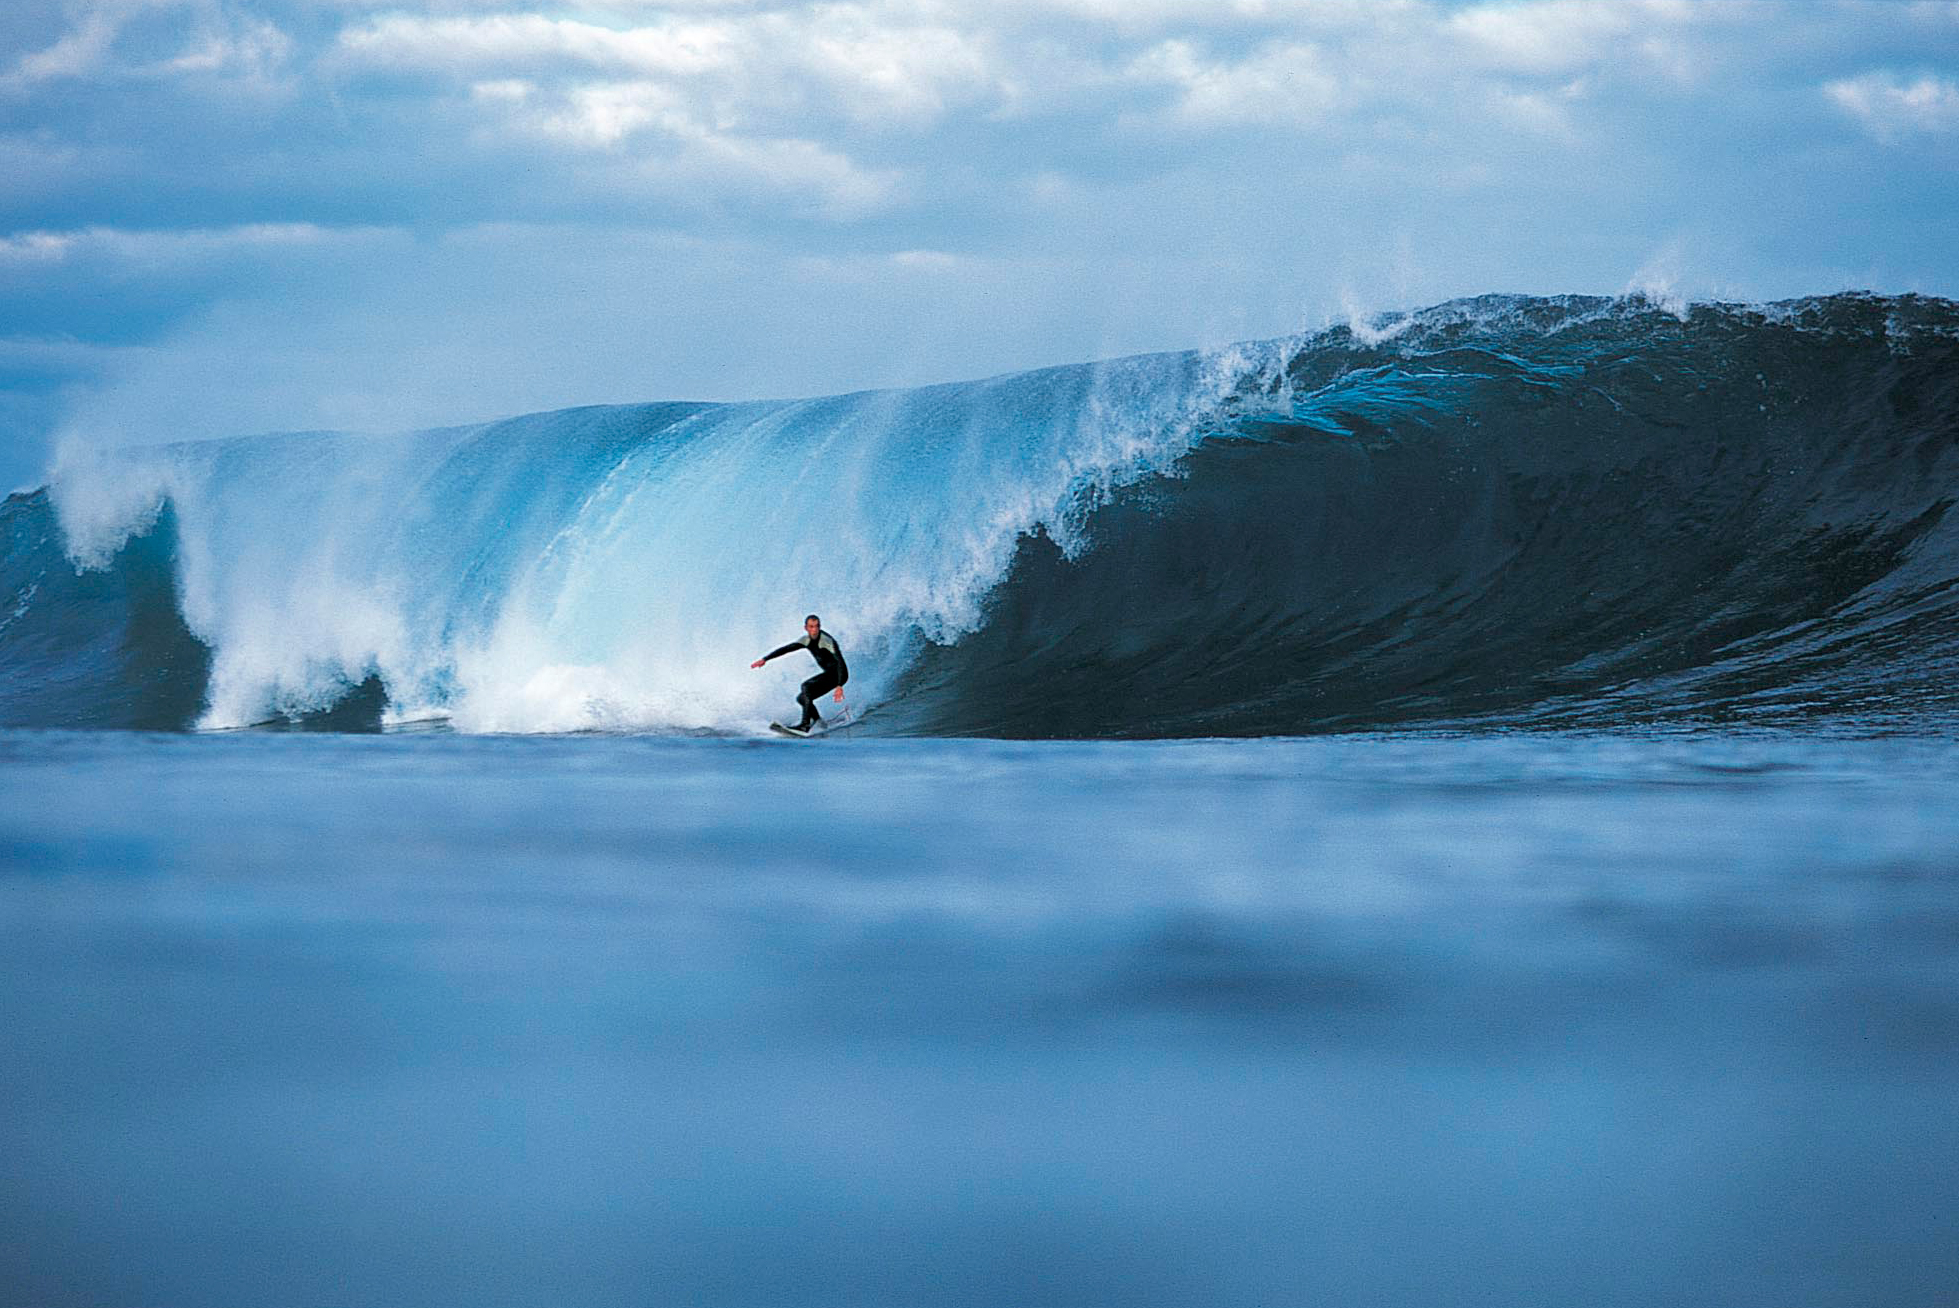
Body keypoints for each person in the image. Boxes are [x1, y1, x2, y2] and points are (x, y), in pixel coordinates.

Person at [751, 614, 848, 732]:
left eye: (817, 626)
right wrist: (765, 659)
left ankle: (805, 725)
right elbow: (786, 649)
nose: (814, 630)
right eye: (811, 627)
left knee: (806, 686)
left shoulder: (827, 641)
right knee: (802, 698)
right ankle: (819, 722)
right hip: (829, 674)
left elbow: (841, 663)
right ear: (806, 628)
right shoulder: (806, 640)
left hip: (837, 674)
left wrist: (839, 685)